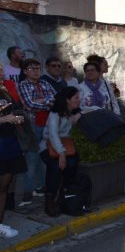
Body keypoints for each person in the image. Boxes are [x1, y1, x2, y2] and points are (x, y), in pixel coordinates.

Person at [17, 58, 56, 206]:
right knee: (32, 159)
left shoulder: (45, 83)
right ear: (25, 71)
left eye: (38, 68)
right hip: (32, 127)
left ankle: (40, 187)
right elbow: (29, 105)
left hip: (48, 126)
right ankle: (27, 193)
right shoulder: (22, 85)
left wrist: (42, 101)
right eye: (32, 68)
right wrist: (46, 101)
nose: (36, 71)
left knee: (44, 158)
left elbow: (56, 99)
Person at [38, 87, 82, 217]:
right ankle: (49, 200)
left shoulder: (72, 112)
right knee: (55, 167)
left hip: (65, 146)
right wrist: (61, 153)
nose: (79, 100)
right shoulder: (55, 113)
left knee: (73, 163)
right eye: (76, 98)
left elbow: (91, 109)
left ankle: (63, 196)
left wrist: (81, 113)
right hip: (48, 146)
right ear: (67, 100)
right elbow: (52, 134)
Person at [0, 80, 26, 237]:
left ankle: (0, 223)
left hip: (9, 143)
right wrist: (4, 119)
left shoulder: (4, 92)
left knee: (4, 187)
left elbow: (16, 110)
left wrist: (18, 118)